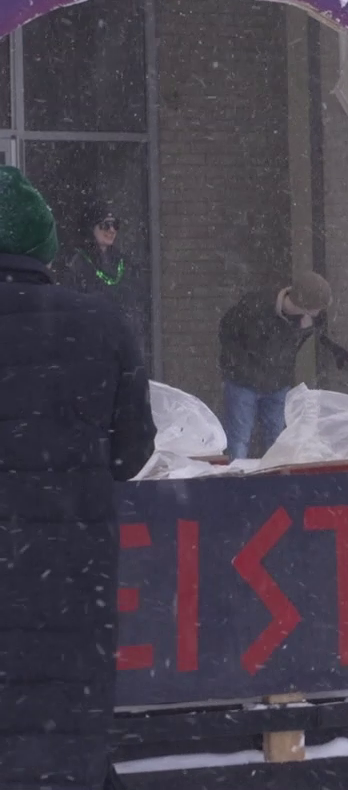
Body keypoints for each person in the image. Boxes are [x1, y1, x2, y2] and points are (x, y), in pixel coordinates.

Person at [0, 166, 156, 789]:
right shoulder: (102, 323)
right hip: (67, 580)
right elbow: (131, 452)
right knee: (60, 749)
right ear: (46, 248)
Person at [218, 271, 331, 460]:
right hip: (243, 382)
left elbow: (290, 346)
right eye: (318, 307)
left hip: (278, 384)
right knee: (239, 439)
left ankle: (275, 483)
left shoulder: (309, 320)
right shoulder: (256, 306)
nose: (320, 312)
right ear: (306, 304)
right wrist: (239, 366)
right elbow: (227, 331)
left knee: (277, 440)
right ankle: (235, 483)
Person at [58, 204, 147, 354]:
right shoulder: (77, 262)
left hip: (118, 341)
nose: (111, 230)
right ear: (91, 228)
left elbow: (132, 302)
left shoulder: (123, 263)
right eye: (106, 225)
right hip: (88, 342)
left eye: (115, 225)